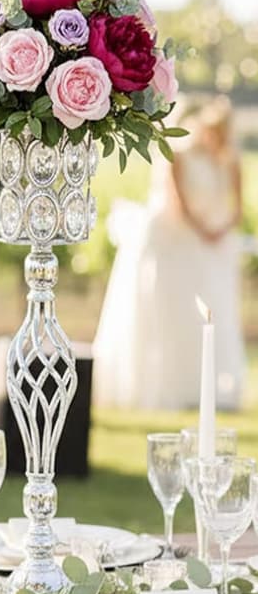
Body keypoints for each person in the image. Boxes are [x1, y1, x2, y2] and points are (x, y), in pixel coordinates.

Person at [93, 95, 246, 411]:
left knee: (203, 312)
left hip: (204, 244)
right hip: (172, 240)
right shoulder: (178, 155)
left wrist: (219, 230)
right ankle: (158, 385)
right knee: (164, 312)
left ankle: (201, 386)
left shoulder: (226, 161)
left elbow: (236, 204)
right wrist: (204, 231)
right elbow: (179, 203)